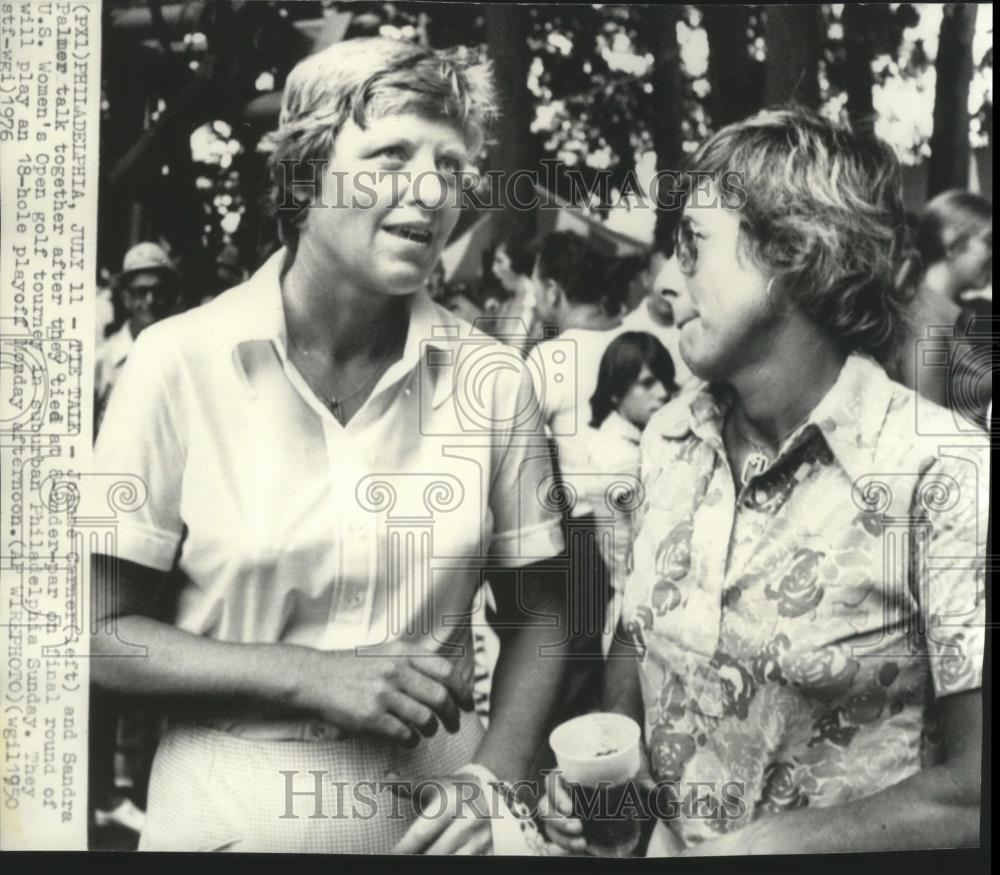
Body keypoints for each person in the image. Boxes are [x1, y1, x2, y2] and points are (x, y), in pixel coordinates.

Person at [92, 37, 572, 854]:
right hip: (225, 811)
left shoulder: (495, 380)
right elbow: (98, 636)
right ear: (305, 172)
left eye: (452, 167)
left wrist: (493, 780)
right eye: (391, 155)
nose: (429, 190)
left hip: (436, 823)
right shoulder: (175, 363)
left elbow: (550, 608)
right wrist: (308, 672)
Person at [541, 107, 986, 855]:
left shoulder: (941, 470)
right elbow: (634, 627)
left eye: (692, 247)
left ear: (793, 254)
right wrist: (618, 757)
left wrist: (769, 845)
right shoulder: (668, 438)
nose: (664, 280)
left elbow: (976, 794)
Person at [585, 331, 678, 653]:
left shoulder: (619, 440)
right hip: (638, 618)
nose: (664, 394)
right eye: (647, 383)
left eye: (666, 382)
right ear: (615, 392)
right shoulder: (621, 458)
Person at [892, 190, 992, 426]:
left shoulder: (956, 315)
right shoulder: (926, 323)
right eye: (988, 242)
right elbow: (925, 427)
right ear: (953, 245)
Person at [95, 242, 181, 432]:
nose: (150, 301)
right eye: (141, 292)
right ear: (126, 298)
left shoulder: (180, 356)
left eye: (159, 292)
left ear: (171, 296)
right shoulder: (104, 359)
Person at [621, 252, 693, 385]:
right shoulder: (624, 330)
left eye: (677, 280)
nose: (668, 290)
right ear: (646, 278)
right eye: (661, 278)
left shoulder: (693, 335)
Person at [488, 234, 543, 354]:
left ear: (517, 262)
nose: (494, 269)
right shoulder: (511, 300)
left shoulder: (534, 305)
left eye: (500, 261)